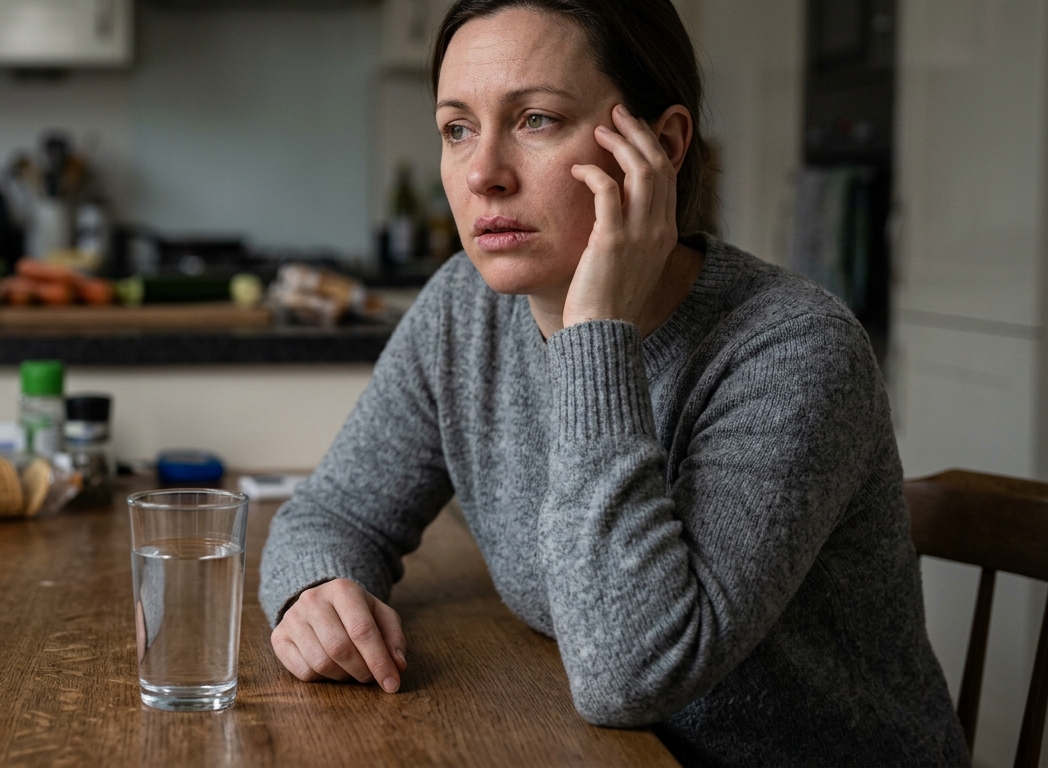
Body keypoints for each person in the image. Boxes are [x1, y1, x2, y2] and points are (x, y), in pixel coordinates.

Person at [258, 0, 970, 765]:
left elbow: (630, 676)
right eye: (456, 128)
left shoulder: (795, 351)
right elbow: (333, 513)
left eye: (536, 119)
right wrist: (315, 592)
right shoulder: (461, 311)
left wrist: (595, 330)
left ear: (659, 147)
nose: (482, 174)